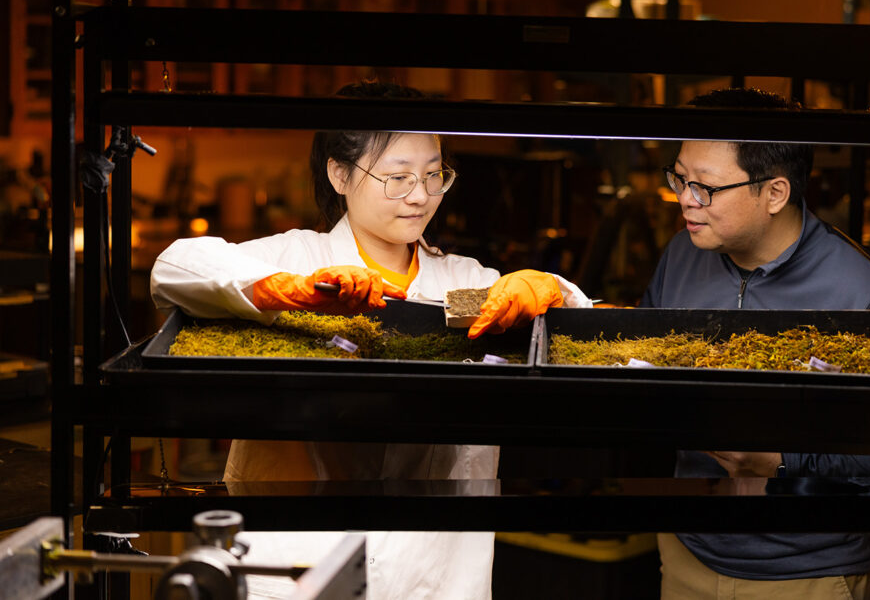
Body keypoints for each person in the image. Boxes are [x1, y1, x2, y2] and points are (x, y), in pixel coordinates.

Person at [150, 79, 591, 600]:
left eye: (434, 175)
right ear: (340, 173)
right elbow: (174, 268)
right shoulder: (296, 257)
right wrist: (294, 294)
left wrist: (553, 291)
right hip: (296, 563)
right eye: (398, 177)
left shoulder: (464, 282)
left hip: (436, 576)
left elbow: (590, 334)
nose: (421, 195)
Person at [643, 88, 870, 600]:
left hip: (807, 571)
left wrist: (780, 460)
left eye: (706, 187)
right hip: (688, 552)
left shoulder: (862, 294)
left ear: (774, 193)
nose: (685, 198)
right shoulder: (681, 255)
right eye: (680, 177)